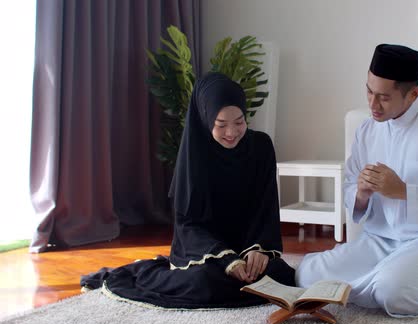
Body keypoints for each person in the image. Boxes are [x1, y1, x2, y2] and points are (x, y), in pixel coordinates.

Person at [295, 44, 418, 317]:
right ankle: (385, 279)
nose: (373, 105)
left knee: (393, 293)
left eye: (384, 97)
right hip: (380, 241)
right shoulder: (367, 130)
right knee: (307, 273)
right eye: (369, 92)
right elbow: (351, 188)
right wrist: (361, 193)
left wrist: (405, 192)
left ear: (413, 94)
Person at [81, 72, 295, 309]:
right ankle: (150, 274)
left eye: (239, 122)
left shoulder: (261, 147)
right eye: (221, 124)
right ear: (205, 118)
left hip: (246, 248)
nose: (232, 132)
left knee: (282, 274)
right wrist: (226, 259)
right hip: (206, 253)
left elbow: (266, 207)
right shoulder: (196, 156)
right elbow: (188, 225)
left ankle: (246, 272)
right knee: (204, 283)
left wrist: (259, 249)